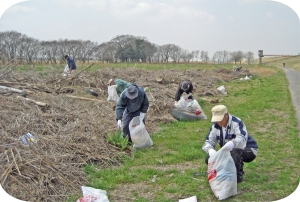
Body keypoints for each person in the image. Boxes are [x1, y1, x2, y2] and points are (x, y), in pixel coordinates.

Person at [202, 105, 258, 183]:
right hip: (228, 151)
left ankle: (237, 177)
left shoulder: (237, 123)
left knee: (235, 152)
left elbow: (242, 138)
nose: (218, 122)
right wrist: (210, 150)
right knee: (209, 158)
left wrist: (233, 143)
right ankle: (224, 173)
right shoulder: (215, 126)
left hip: (248, 150)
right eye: (216, 120)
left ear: (227, 115)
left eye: (220, 119)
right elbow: (208, 142)